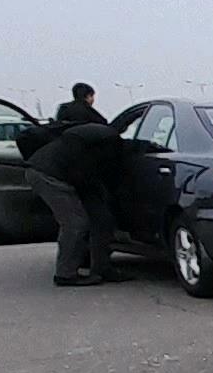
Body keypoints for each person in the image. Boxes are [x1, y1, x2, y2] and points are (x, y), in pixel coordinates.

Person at [25, 119, 134, 286]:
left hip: (52, 170)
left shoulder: (96, 137)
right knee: (75, 223)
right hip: (51, 175)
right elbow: (89, 174)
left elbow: (87, 173)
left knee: (102, 219)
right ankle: (65, 275)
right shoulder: (109, 143)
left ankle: (101, 268)